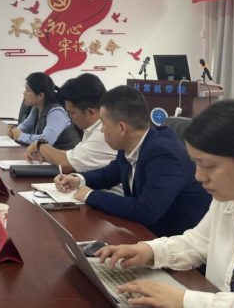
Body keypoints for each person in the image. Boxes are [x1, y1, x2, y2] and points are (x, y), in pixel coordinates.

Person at [96, 101, 234, 307]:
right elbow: (198, 242)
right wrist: (149, 250)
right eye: (195, 163)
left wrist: (186, 301)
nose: (198, 176)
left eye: (209, 166)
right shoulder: (229, 198)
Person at [56, 86, 211, 237]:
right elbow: (110, 174)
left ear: (122, 128)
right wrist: (79, 179)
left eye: (103, 123)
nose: (102, 130)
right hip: (147, 232)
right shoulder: (132, 143)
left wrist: (90, 195)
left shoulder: (164, 154)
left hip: (175, 240)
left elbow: (146, 211)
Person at [25, 74, 119, 178]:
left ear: (91, 112)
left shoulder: (102, 132)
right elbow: (72, 155)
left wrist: (40, 145)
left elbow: (68, 165)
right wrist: (48, 155)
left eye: (71, 113)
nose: (69, 118)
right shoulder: (93, 127)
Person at [8, 72, 81, 151]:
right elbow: (26, 125)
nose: (24, 93)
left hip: (66, 155)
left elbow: (47, 140)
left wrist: (21, 136)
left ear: (41, 96)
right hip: (49, 155)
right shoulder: (36, 108)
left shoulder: (56, 112)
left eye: (28, 90)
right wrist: (14, 131)